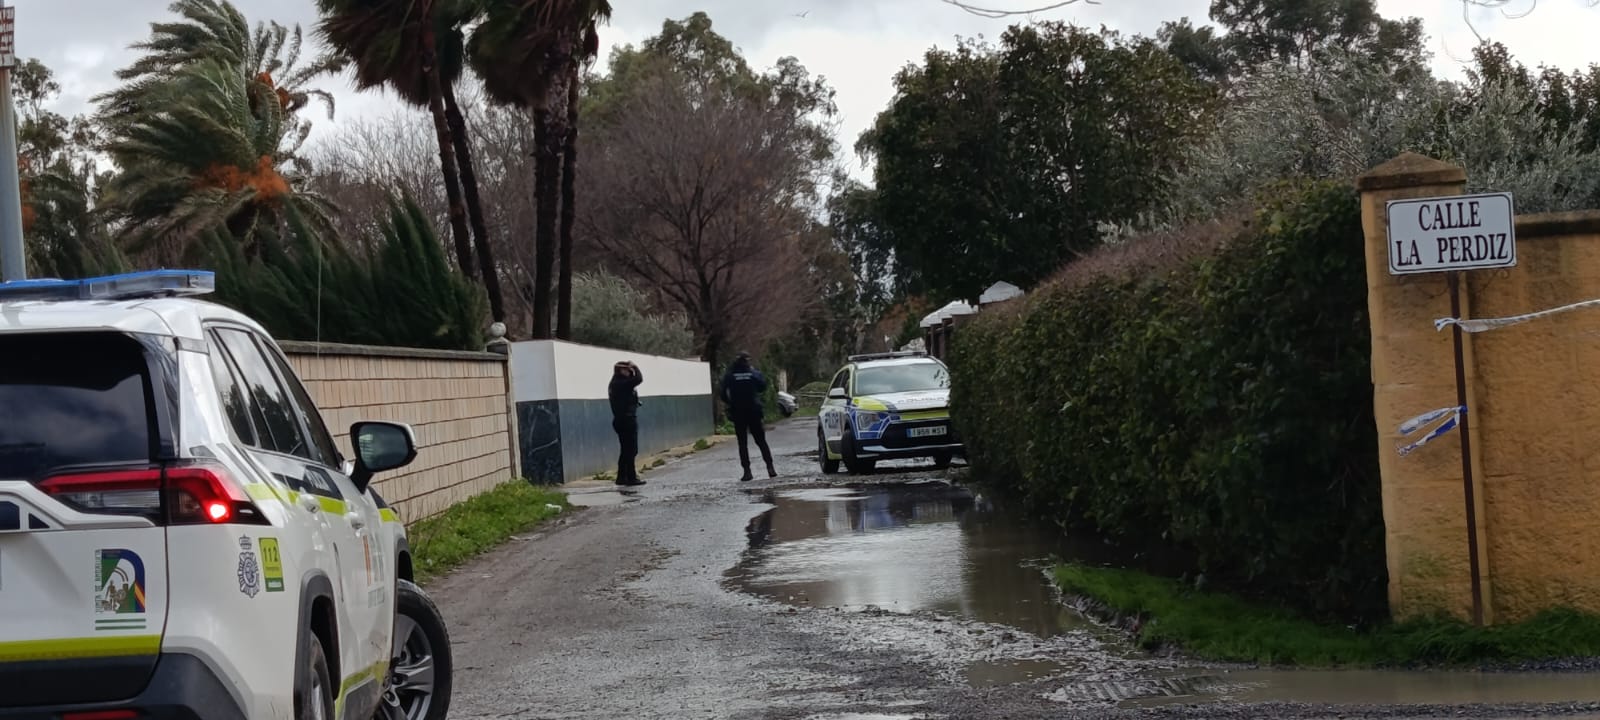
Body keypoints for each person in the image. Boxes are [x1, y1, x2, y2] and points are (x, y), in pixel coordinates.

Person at [721, 351, 776, 482]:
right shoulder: (753, 373)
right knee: (761, 441)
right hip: (754, 411)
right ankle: (770, 468)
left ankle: (747, 472)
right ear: (746, 361)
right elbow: (763, 386)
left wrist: (731, 403)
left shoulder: (730, 375)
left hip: (738, 412)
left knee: (742, 443)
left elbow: (722, 393)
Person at [609, 360, 645, 487]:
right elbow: (639, 379)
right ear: (620, 370)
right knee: (631, 450)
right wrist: (635, 366)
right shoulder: (620, 383)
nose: (629, 372)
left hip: (621, 420)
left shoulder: (617, 383)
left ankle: (621, 477)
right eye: (627, 370)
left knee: (625, 450)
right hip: (626, 420)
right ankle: (631, 477)